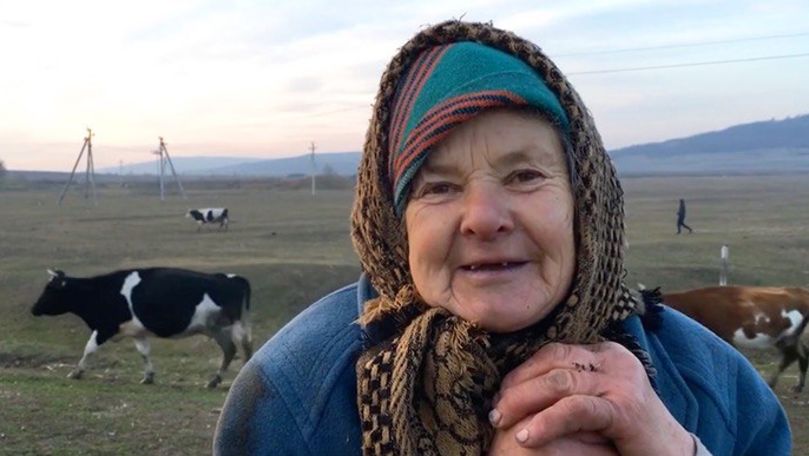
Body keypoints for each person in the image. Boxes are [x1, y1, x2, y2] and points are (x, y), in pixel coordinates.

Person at [213, 20, 789, 455]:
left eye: (525, 176)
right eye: (439, 187)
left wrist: (676, 447)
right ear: (394, 223)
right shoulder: (290, 399)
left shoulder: (716, 385)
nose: (484, 219)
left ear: (584, 203)